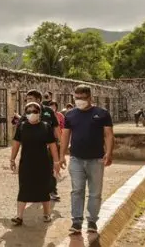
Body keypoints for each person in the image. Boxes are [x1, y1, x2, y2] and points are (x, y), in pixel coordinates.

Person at [59, 85, 114, 236]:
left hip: (96, 159)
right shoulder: (70, 115)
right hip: (76, 158)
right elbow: (65, 135)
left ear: (90, 98)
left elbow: (108, 135)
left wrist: (108, 153)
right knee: (77, 190)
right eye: (77, 98)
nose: (79, 101)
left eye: (82, 98)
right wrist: (61, 155)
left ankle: (92, 221)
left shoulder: (102, 114)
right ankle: (76, 221)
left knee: (95, 192)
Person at [10, 102, 61, 226]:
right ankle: (19, 216)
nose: (31, 114)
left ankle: (46, 214)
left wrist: (56, 162)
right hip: (26, 162)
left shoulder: (46, 126)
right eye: (28, 112)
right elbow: (16, 143)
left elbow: (52, 145)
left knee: (43, 188)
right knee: (24, 187)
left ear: (39, 113)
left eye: (34, 111)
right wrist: (12, 159)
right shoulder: (22, 126)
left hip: (43, 162)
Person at [18, 90, 61, 202]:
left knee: (49, 168)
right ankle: (34, 191)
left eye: (30, 99)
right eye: (27, 99)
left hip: (48, 145)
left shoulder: (48, 111)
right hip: (33, 147)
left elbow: (56, 127)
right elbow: (21, 127)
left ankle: (51, 190)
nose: (28, 101)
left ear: (38, 99)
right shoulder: (27, 111)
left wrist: (60, 142)